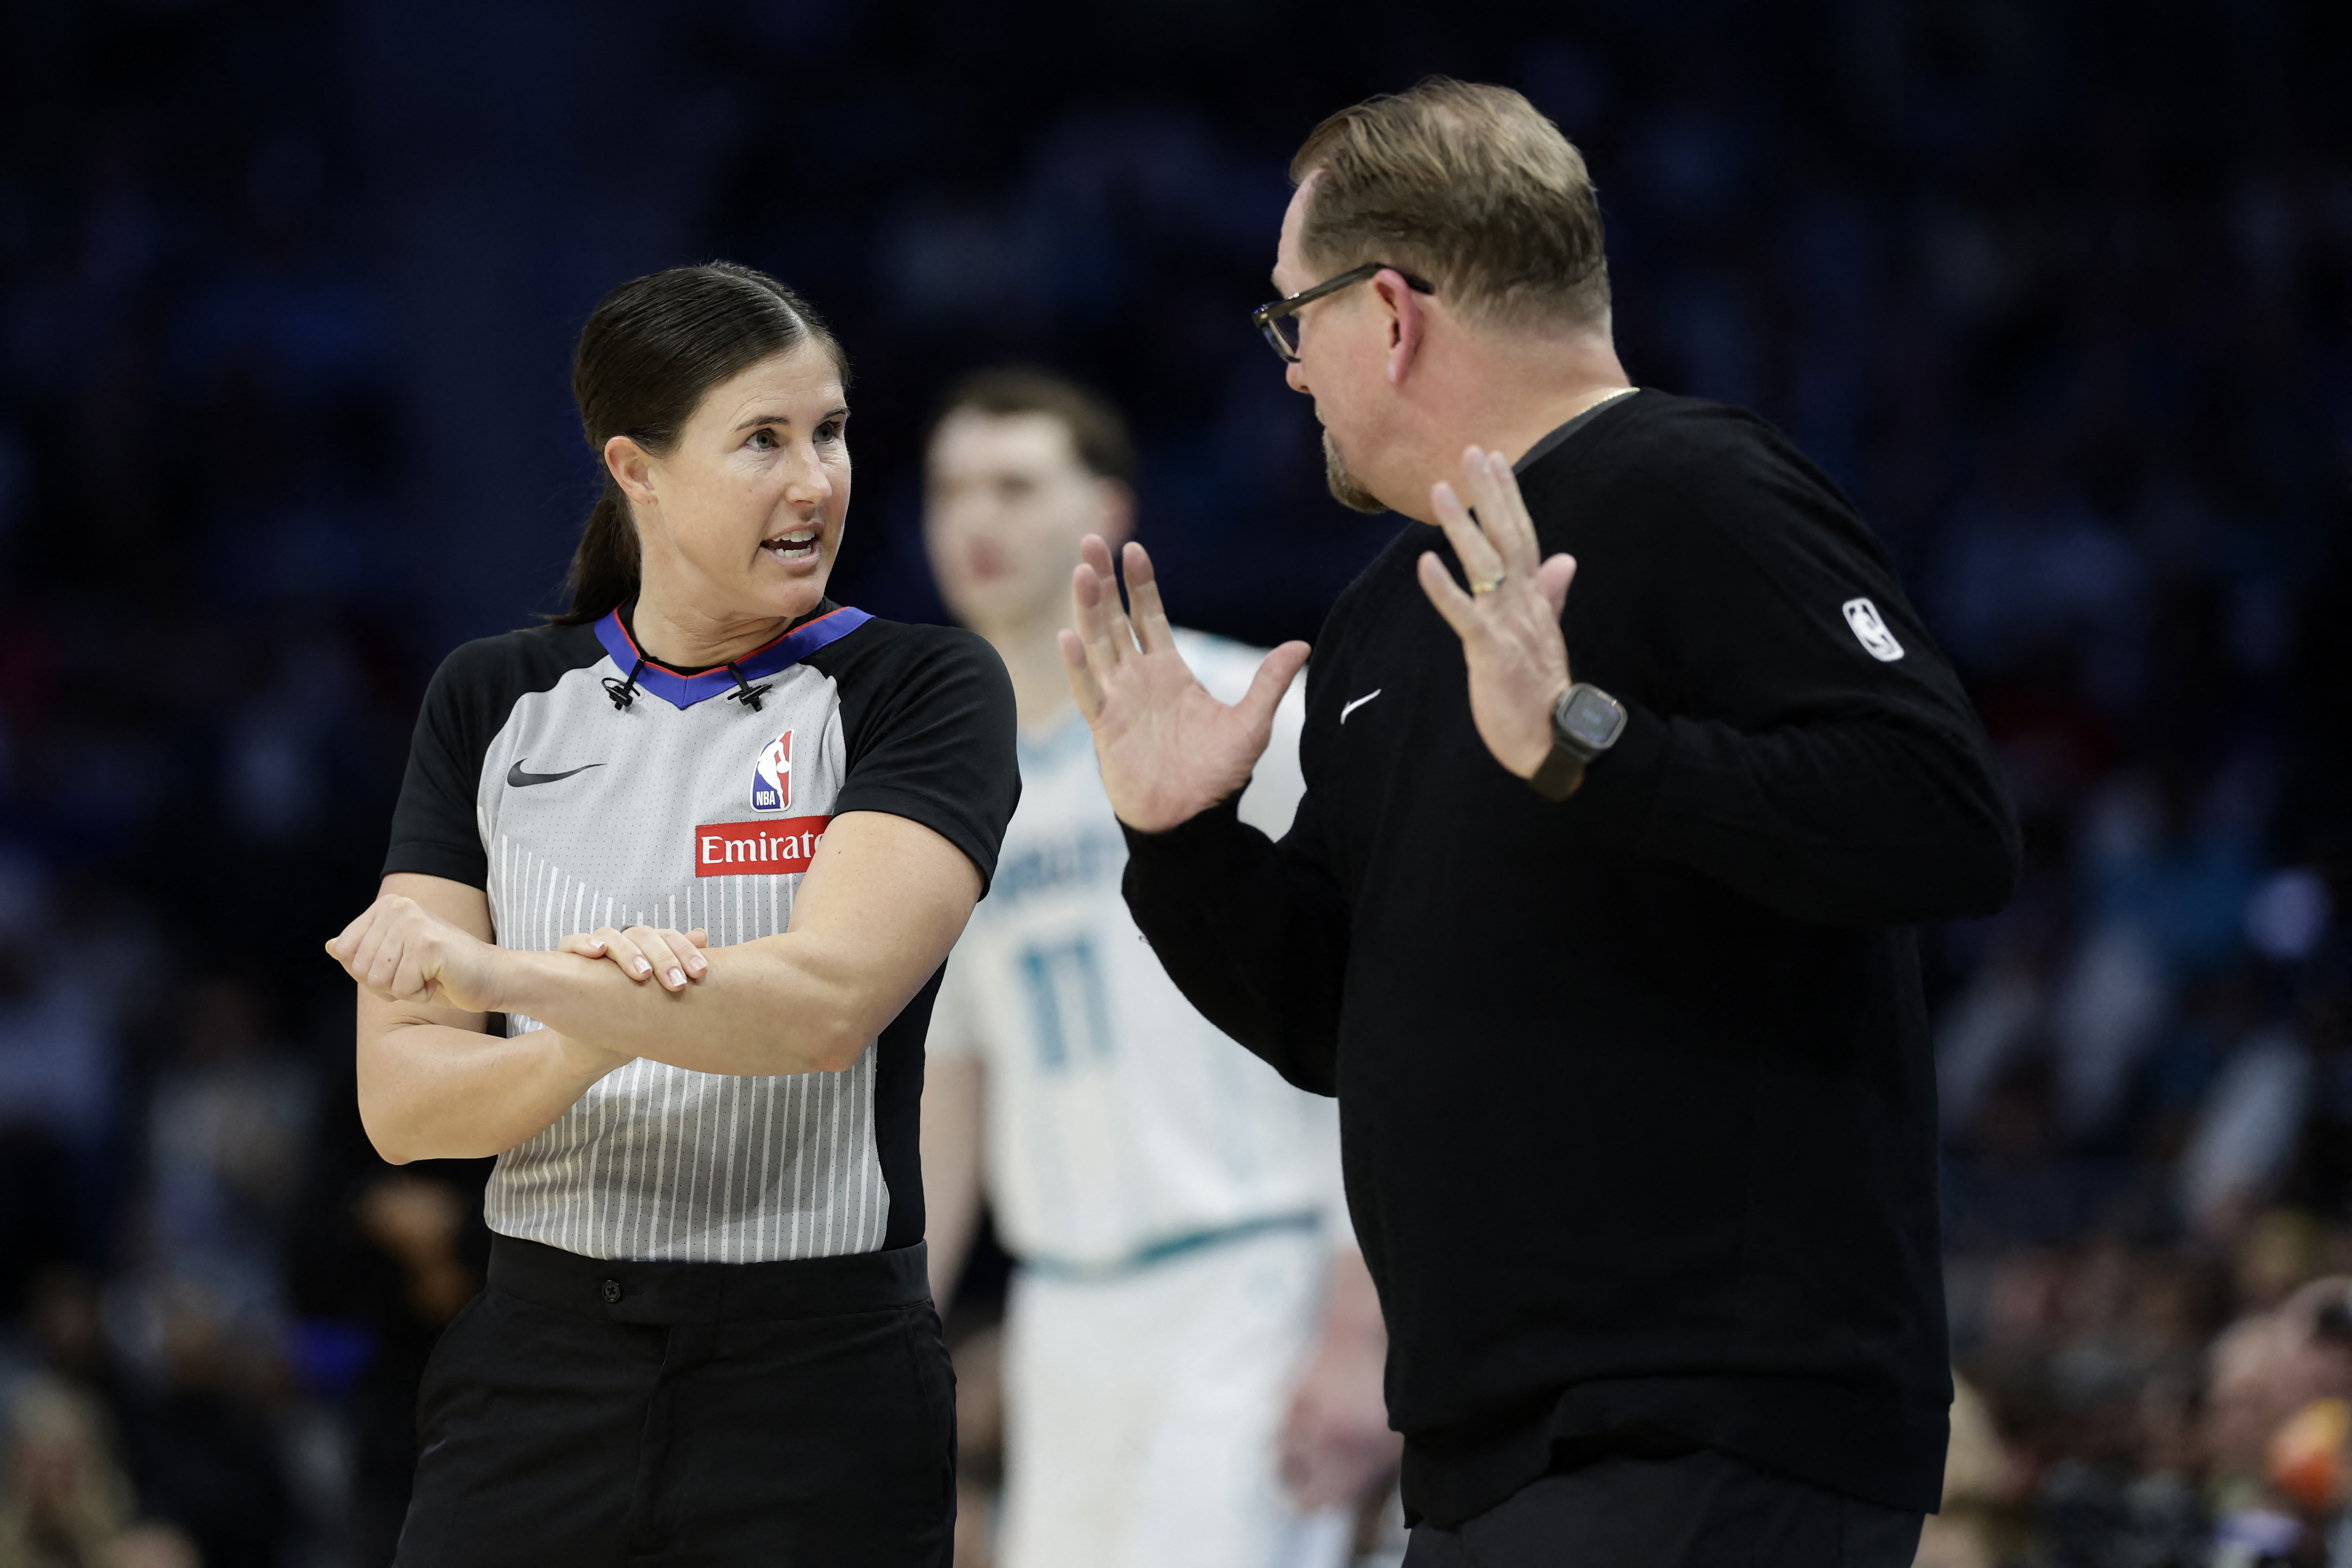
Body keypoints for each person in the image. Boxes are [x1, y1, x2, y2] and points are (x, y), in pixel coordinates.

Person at [1057, 80, 2021, 1567]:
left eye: (1290, 321)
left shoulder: (1698, 486)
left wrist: (1593, 743)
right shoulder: (1388, 612)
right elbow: (1333, 1021)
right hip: (1487, 1447)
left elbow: (1942, 818)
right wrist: (1183, 845)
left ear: (1390, 312)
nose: (1293, 372)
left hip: (1710, 1413)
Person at [323, 261, 1018, 1567]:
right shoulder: (494, 699)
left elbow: (822, 1010)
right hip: (538, 1369)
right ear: (636, 470)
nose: (816, 480)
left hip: (817, 1383)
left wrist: (501, 973)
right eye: (763, 439)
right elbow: (405, 1104)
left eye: (832, 430)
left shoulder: (921, 686)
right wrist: (587, 1036)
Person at [916, 368, 1397, 1568]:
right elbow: (954, 1092)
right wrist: (883, 1336)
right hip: (1063, 1309)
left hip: (1255, 1277)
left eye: (1018, 485)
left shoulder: (1244, 710)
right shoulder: (949, 788)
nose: (978, 519)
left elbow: (1379, 1020)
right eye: (951, 489)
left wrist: (1363, 1321)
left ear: (1109, 510)